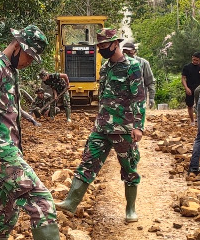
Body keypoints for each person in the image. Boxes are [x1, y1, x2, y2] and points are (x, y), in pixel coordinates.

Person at [0, 25, 88, 240]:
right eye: (28, 57)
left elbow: (6, 112)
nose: (28, 63)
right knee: (40, 198)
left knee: (5, 208)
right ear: (18, 46)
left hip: (5, 148)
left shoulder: (8, 70)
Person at [58, 28, 147, 222]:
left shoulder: (132, 66)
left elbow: (139, 97)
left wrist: (138, 126)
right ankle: (71, 203)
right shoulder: (105, 67)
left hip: (123, 128)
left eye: (104, 45)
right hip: (101, 127)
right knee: (88, 161)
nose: (101, 49)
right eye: (99, 46)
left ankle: (130, 209)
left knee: (129, 168)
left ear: (116, 44)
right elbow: (103, 96)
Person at [123, 41, 156, 109]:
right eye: (125, 51)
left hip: (138, 100)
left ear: (134, 51)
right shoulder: (118, 64)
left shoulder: (143, 63)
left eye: (129, 51)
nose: (127, 53)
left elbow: (150, 82)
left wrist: (151, 98)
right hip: (122, 100)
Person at [180, 53, 200, 124]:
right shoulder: (186, 67)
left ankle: (199, 119)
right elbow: (183, 78)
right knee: (190, 105)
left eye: (197, 60)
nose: (195, 61)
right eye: (193, 59)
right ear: (192, 58)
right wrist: (186, 88)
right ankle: (192, 121)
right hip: (190, 88)